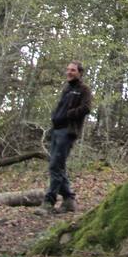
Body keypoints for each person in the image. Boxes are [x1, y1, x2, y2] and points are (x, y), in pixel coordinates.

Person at [35, 61, 92, 215]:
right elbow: (60, 107)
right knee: (58, 166)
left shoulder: (83, 89)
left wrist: (69, 115)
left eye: (72, 70)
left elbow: (86, 108)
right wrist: (55, 118)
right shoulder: (67, 88)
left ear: (79, 72)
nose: (69, 72)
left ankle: (49, 202)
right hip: (57, 130)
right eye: (68, 69)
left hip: (68, 131)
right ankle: (68, 200)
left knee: (55, 166)